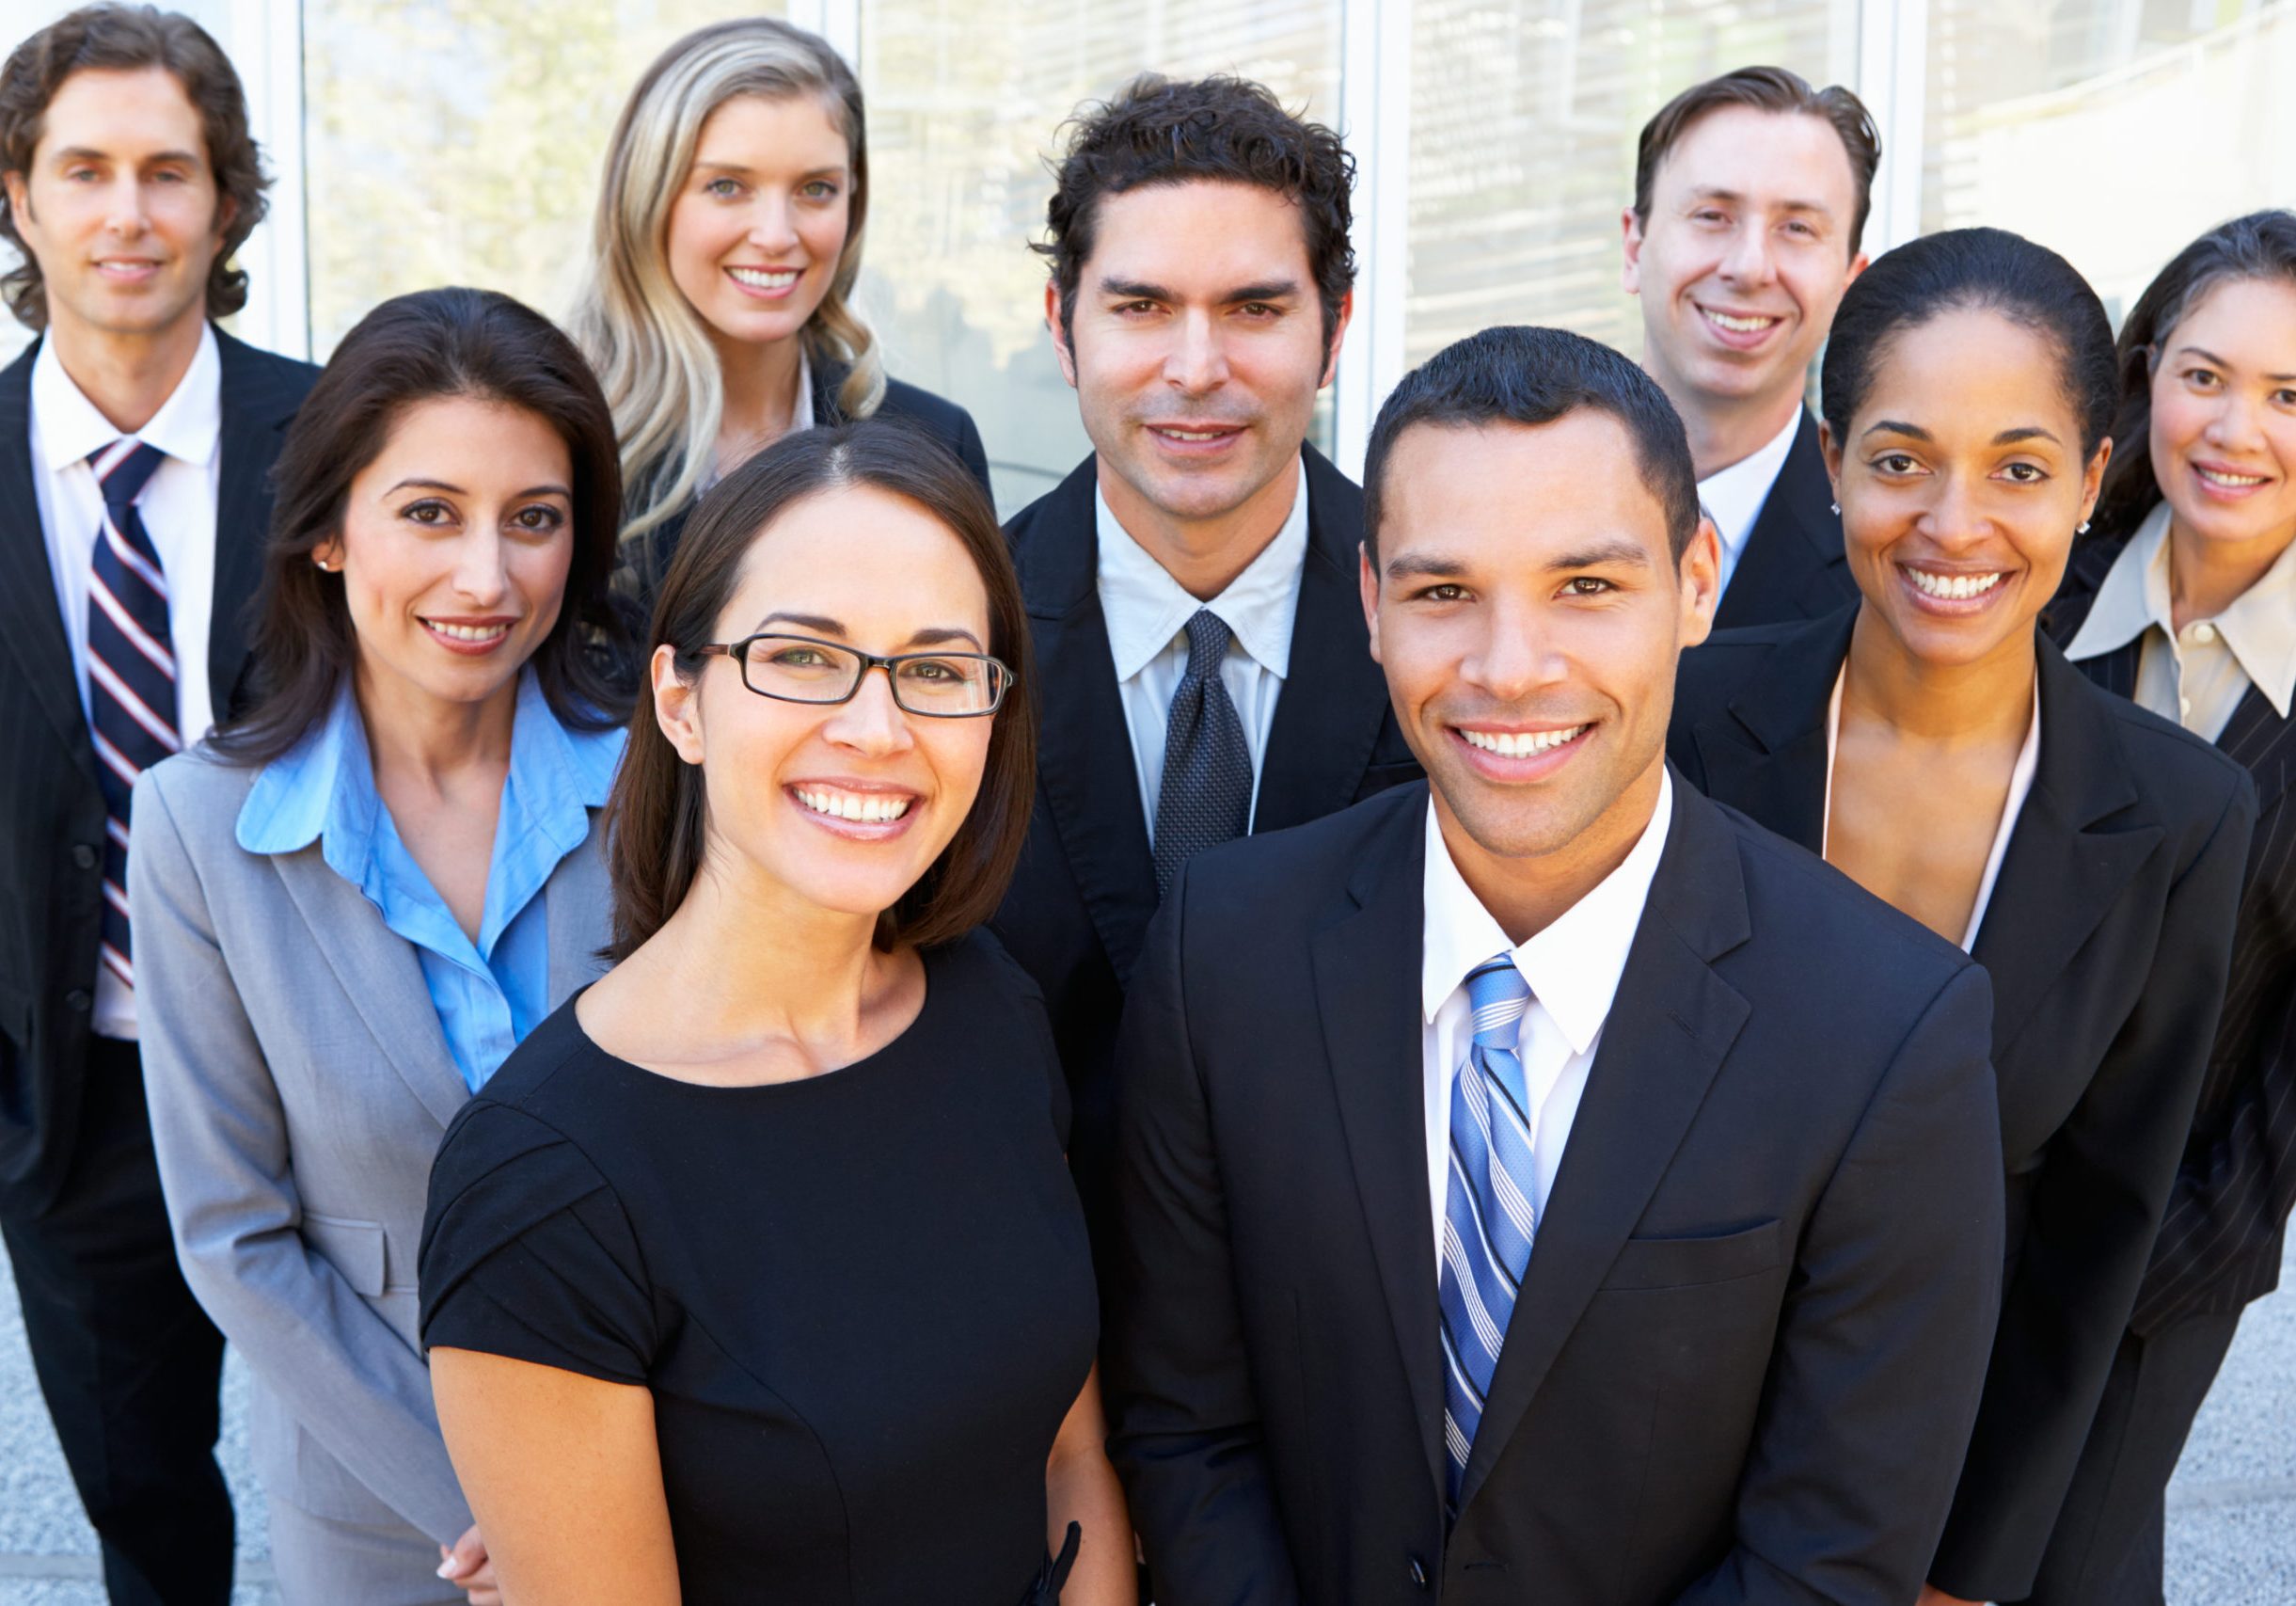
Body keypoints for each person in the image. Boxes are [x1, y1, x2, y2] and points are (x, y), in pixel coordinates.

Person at [1107, 324, 2007, 1603]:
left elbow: (1830, 1555)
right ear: (1371, 603)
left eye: (1585, 587)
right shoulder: (1222, 950)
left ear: (1696, 580)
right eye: (1441, 591)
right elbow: (1189, 1427)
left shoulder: (1887, 1029)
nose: (1508, 667)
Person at [418, 421, 1133, 1606]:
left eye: (938, 669)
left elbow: (1068, 1463)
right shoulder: (539, 1188)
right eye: (803, 658)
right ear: (681, 701)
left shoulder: (990, 1009)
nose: (876, 727)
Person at [1667, 228, 2256, 1606]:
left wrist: (1958, 1570)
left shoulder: (2179, 812)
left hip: (1987, 1517)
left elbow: (2102, 1241)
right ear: (1828, 467)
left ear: (2092, 480)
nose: (1952, 520)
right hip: (1667, 1486)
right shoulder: (1684, 727)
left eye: (2019, 467)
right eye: (1897, 458)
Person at [127, 287, 632, 1605]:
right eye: (429, 512)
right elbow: (233, 1230)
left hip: (661, 1473)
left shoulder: (659, 790)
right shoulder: (200, 826)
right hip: (387, 1516)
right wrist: (491, 1504)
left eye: (535, 519)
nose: (488, 575)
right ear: (330, 535)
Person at [0, 8, 319, 1599]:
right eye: (86, 170)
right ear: (20, 196)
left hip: (332, 1063)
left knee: (424, 1467)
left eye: (168, 171)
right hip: (79, 1097)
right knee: (147, 1506)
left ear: (227, 199)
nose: (128, 212)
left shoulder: (339, 446)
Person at [990, 75, 1420, 1223]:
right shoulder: (952, 636)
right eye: (1138, 308)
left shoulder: (1446, 624)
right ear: (1059, 325)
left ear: (1333, 328)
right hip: (1029, 1328)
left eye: (1251, 309)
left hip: (1353, 1321)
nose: (1193, 368)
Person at [2039, 208, 2296, 1606]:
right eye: (2204, 373)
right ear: (2145, 378)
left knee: (2078, 1570)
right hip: (1934, 1202)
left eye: (2289, 393)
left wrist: (2157, 1262)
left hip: (2166, 1243)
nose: (2233, 427)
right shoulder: (2037, 583)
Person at [571, 16, 990, 608]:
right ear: (648, 200)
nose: (775, 234)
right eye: (727, 186)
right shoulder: (567, 442)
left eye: (815, 189)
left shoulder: (937, 441)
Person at [1623, 65, 1874, 628]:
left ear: (1848, 283)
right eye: (1712, 216)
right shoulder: (1501, 503)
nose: (1750, 268)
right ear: (1633, 246)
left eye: (1798, 228)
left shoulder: (1885, 573)